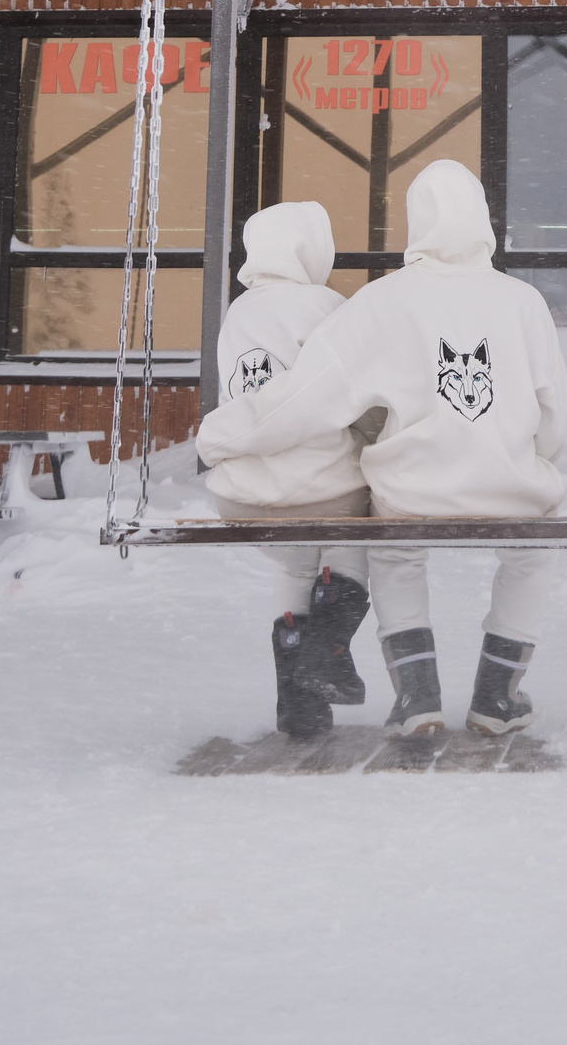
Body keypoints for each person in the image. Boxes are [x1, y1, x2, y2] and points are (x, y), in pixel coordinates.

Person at [197, 159, 567, 738]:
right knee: (533, 550)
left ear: (416, 222)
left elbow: (311, 400)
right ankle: (497, 698)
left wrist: (225, 436)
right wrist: (521, 455)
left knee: (394, 550)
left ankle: (417, 701)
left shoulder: (383, 301)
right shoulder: (523, 301)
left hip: (413, 486)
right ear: (482, 220)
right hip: (512, 484)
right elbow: (554, 415)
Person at [204, 200, 370, 739]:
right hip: (320, 491)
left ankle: (298, 705)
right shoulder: (327, 306)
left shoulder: (238, 313)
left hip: (244, 492)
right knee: (356, 526)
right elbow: (359, 400)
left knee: (297, 565)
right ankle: (327, 649)